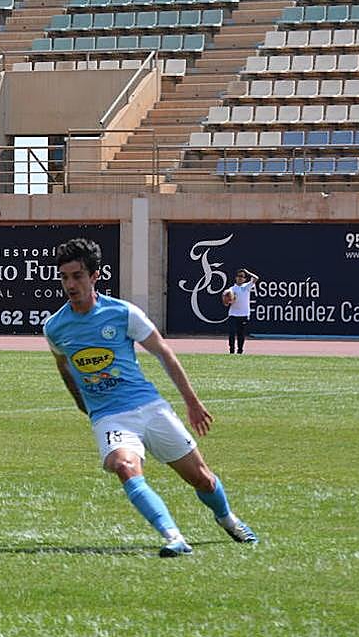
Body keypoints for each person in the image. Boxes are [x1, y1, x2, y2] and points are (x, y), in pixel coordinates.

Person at [43, 237, 258, 558]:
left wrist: (192, 402)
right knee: (124, 466)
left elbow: (164, 353)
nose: (70, 284)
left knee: (202, 479)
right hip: (110, 417)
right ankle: (174, 537)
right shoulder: (55, 327)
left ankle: (227, 518)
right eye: (64, 277)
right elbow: (64, 368)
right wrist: (85, 407)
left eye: (77, 276)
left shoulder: (123, 313)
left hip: (149, 407)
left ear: (95, 276)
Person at [226, 267, 259, 354]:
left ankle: (240, 350)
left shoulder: (247, 286)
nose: (240, 278)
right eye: (238, 276)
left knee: (241, 334)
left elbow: (256, 278)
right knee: (232, 333)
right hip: (233, 314)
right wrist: (228, 300)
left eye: (242, 276)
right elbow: (226, 299)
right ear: (235, 277)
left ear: (244, 279)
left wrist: (248, 272)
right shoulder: (232, 289)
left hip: (244, 314)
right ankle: (231, 350)